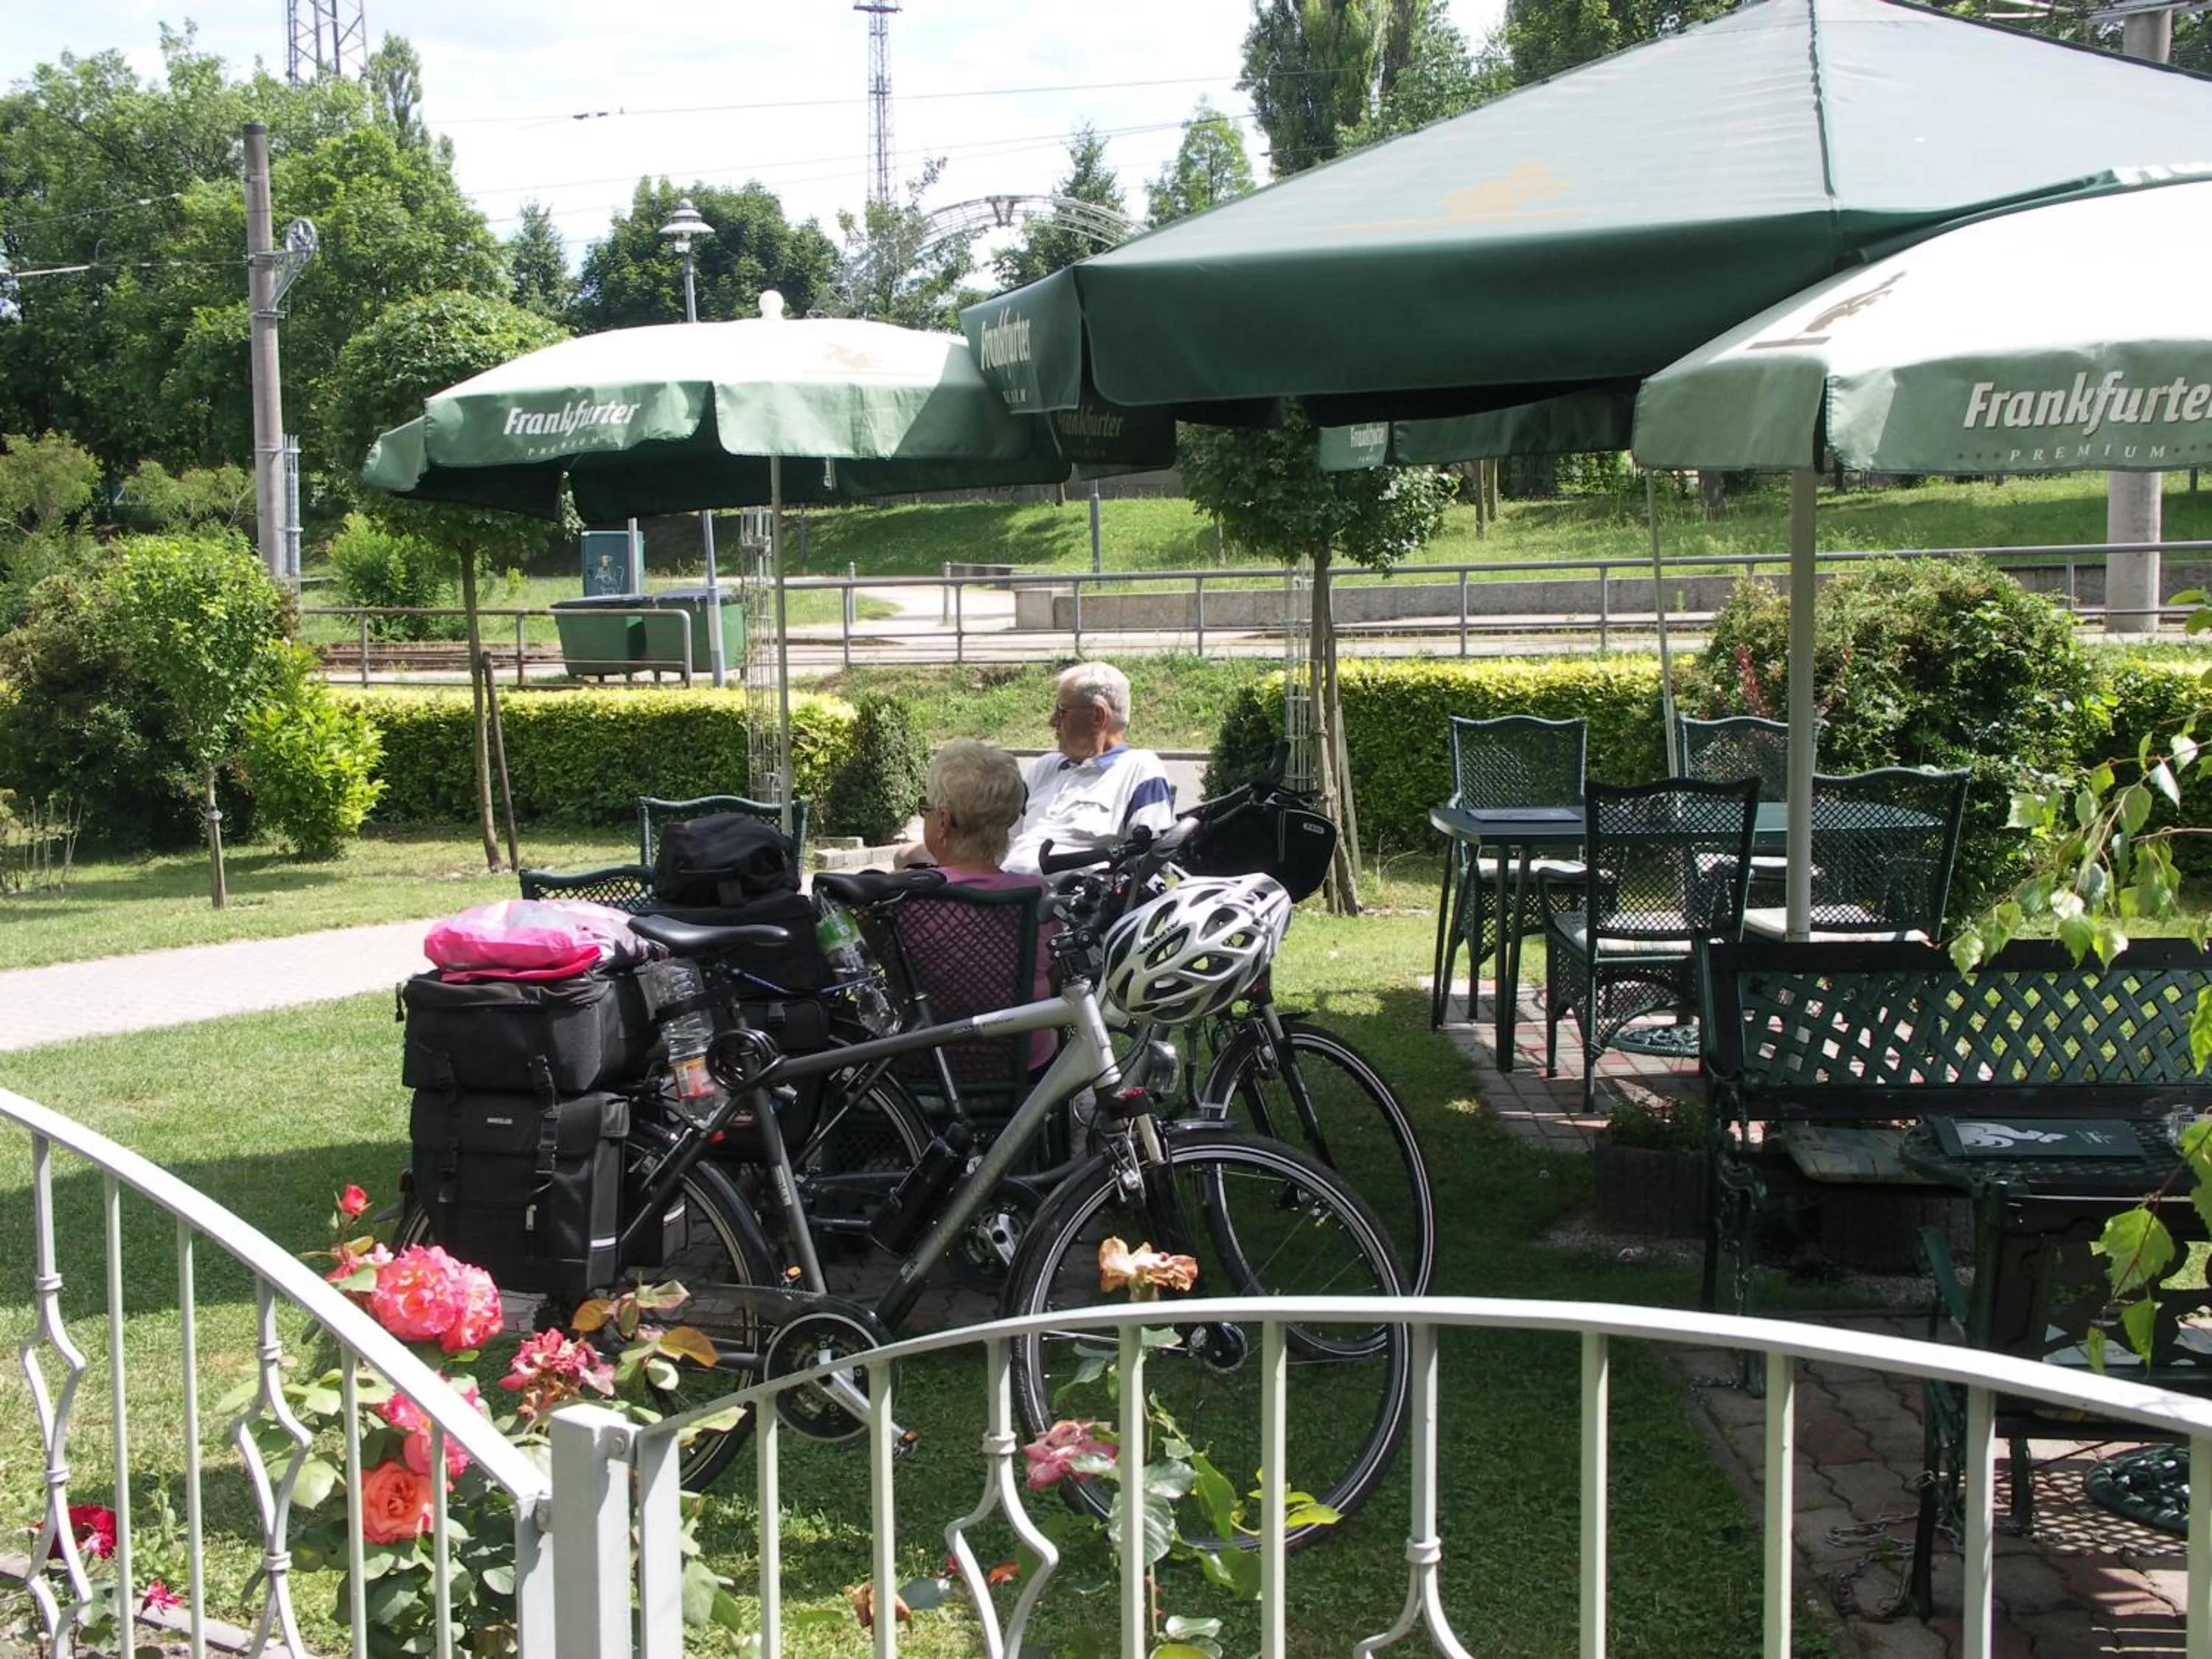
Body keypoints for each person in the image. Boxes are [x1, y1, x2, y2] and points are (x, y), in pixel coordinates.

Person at [908, 739, 1054, 1068]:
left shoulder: (908, 901)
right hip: (1024, 1067)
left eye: (925, 808)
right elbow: (1052, 975)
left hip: (935, 1066)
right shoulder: (1038, 897)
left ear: (943, 822)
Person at [1001, 662, 1175, 875]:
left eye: (1061, 711)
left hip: (1068, 903)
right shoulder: (1045, 767)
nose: (1052, 722)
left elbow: (1151, 863)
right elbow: (1003, 842)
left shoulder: (1137, 768)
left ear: (1097, 716)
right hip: (1005, 897)